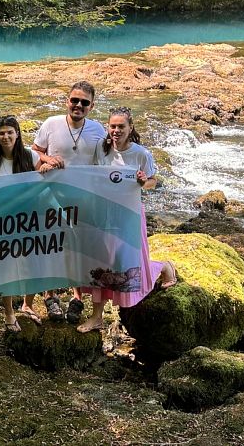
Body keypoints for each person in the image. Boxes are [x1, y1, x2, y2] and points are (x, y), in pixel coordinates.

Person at [79, 107, 177, 333]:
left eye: (121, 126)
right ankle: (96, 317)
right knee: (101, 264)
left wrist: (144, 182)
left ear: (130, 128)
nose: (116, 130)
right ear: (108, 127)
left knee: (129, 265)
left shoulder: (141, 154)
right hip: (102, 213)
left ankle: (163, 266)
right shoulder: (101, 150)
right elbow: (93, 177)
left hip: (129, 214)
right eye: (112, 126)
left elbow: (153, 181)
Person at [32, 80, 107, 320]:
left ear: (91, 106)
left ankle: (77, 298)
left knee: (79, 249)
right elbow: (34, 152)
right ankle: (50, 296)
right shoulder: (51, 124)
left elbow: (107, 163)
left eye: (84, 102)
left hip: (83, 200)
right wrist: (47, 159)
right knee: (52, 246)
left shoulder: (98, 130)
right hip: (51, 196)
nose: (78, 105)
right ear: (67, 100)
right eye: (74, 100)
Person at [0, 115, 42, 332]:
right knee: (6, 267)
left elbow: (47, 183)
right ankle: (8, 312)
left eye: (10, 132)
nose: (6, 136)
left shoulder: (31, 156)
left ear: (17, 133)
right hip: (2, 222)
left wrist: (50, 166)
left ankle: (28, 304)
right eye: (1, 133)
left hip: (29, 221)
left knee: (32, 263)